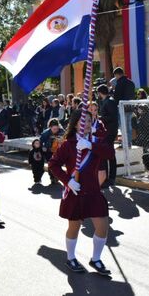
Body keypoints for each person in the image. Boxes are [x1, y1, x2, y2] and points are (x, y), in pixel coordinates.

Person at [48, 111, 114, 275]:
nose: (86, 123)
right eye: (83, 121)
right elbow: (53, 164)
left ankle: (96, 259)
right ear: (76, 123)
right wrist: (67, 181)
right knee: (74, 227)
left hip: (93, 191)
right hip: (75, 191)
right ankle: (71, 258)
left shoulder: (97, 141)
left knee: (103, 227)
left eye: (89, 120)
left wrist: (90, 145)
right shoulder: (68, 144)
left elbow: (110, 154)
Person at [97, 85, 118, 187]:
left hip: (110, 132)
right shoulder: (107, 101)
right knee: (107, 154)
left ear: (100, 92)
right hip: (108, 131)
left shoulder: (110, 101)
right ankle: (108, 178)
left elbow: (112, 117)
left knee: (109, 154)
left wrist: (101, 118)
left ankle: (111, 178)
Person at [112, 67, 135, 147]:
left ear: (117, 74)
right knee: (129, 126)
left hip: (122, 107)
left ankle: (125, 143)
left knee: (123, 127)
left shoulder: (119, 83)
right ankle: (129, 143)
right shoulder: (131, 82)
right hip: (130, 107)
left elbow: (116, 97)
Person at [40, 119, 65, 185]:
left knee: (58, 165)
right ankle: (52, 177)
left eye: (57, 129)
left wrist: (62, 141)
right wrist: (43, 147)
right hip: (49, 151)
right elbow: (40, 141)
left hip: (59, 152)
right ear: (50, 127)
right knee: (51, 165)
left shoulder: (62, 132)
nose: (55, 131)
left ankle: (57, 177)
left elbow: (66, 140)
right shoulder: (46, 133)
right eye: (54, 129)